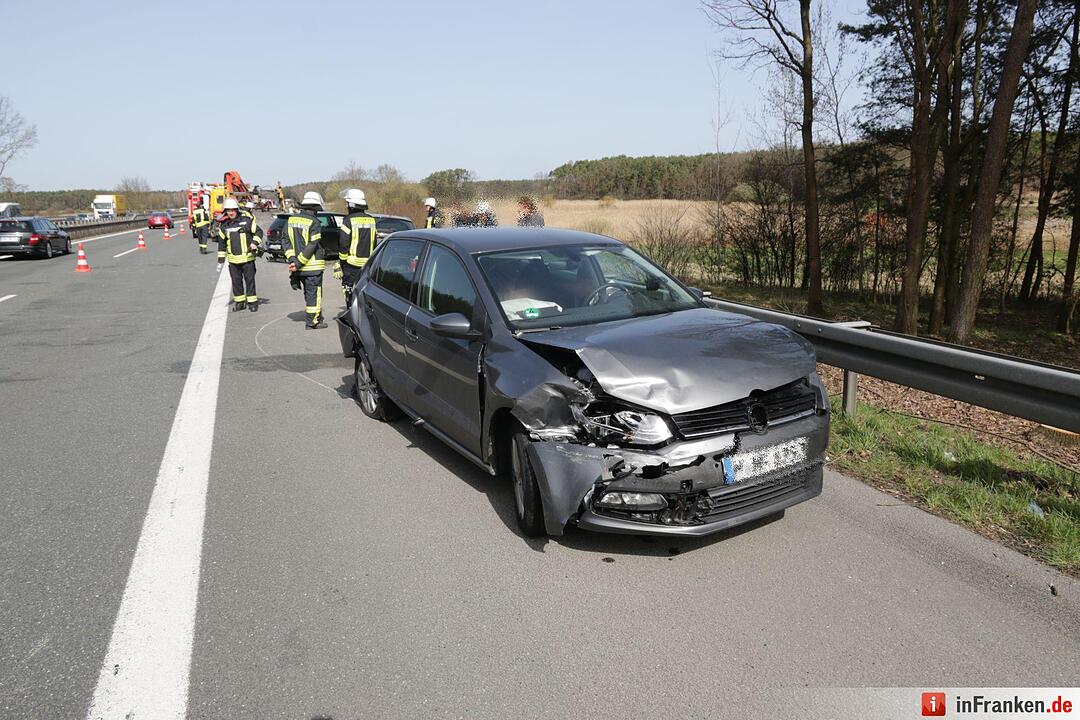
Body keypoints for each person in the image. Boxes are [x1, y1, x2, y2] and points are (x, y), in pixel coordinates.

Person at [283, 191, 328, 329]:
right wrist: (299, 263)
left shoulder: (291, 220)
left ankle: (313, 317)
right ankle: (312, 322)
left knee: (308, 294)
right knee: (314, 294)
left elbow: (285, 241)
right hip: (312, 267)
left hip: (298, 268)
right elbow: (312, 245)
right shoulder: (314, 222)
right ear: (315, 208)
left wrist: (293, 260)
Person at [216, 198, 263, 312]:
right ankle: (240, 302)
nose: (231, 213)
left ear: (237, 210)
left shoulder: (247, 221)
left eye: (233, 210)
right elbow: (222, 243)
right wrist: (221, 259)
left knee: (250, 281)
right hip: (233, 261)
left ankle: (252, 303)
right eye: (228, 210)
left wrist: (254, 243)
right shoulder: (223, 226)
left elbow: (259, 232)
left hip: (247, 259)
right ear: (225, 212)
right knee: (236, 283)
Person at [336, 188, 377, 304]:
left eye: (347, 203)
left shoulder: (348, 220)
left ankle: (351, 310)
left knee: (349, 291)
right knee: (364, 292)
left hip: (351, 265)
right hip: (367, 264)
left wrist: (341, 263)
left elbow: (343, 243)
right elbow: (374, 242)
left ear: (351, 205)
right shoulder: (371, 220)